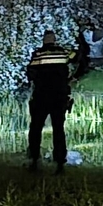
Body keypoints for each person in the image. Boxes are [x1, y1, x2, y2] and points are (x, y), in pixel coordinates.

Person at [26, 30, 72, 174]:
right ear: (55, 40)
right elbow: (74, 65)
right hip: (59, 96)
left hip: (42, 95)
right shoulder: (63, 54)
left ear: (44, 40)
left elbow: (31, 73)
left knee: (36, 127)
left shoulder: (39, 54)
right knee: (58, 129)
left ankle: (34, 159)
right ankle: (60, 162)